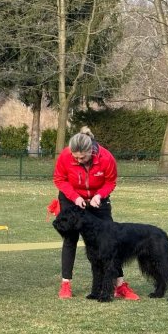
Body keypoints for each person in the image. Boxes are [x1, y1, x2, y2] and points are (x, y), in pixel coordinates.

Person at [52, 126, 139, 300]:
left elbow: (110, 181)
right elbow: (60, 179)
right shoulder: (65, 156)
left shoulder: (106, 158)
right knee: (70, 239)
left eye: (82, 157)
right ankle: (66, 284)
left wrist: (99, 195)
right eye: (75, 157)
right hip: (71, 198)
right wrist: (75, 197)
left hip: (98, 200)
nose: (79, 160)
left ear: (91, 150)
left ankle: (120, 285)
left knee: (111, 239)